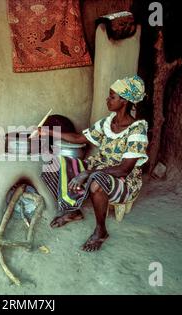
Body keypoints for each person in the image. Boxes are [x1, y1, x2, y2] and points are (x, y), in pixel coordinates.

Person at [39, 75, 148, 252]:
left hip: (124, 181)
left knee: (97, 181)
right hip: (98, 168)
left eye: (112, 97)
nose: (108, 99)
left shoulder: (137, 130)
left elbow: (125, 168)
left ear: (125, 101)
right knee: (55, 164)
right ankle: (73, 210)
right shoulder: (107, 123)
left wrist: (86, 174)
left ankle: (101, 230)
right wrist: (48, 131)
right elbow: (79, 138)